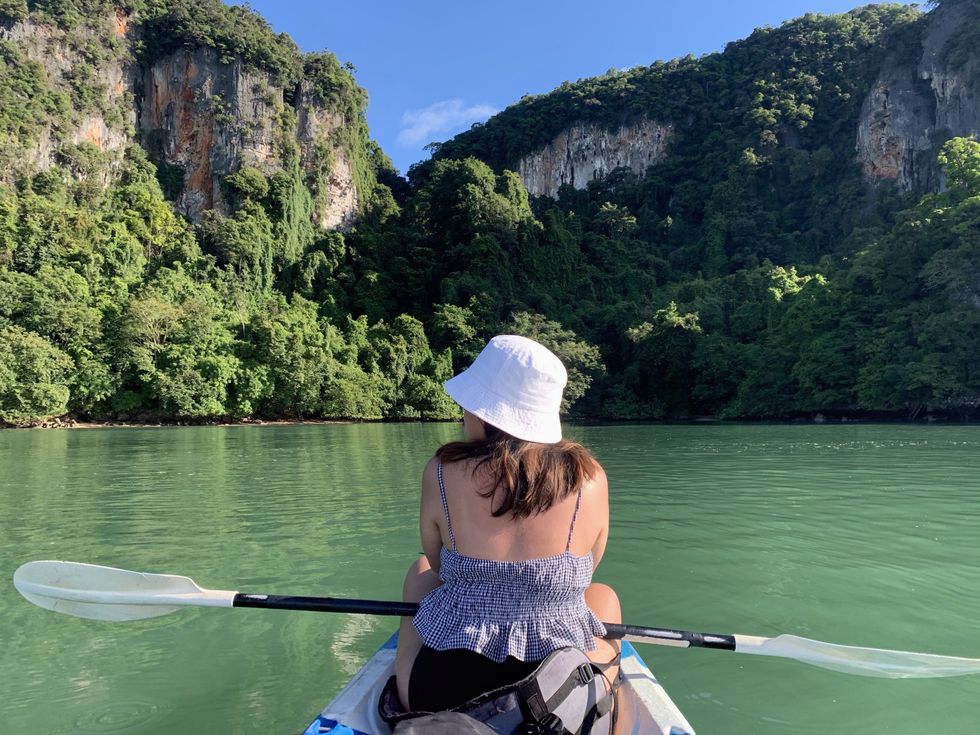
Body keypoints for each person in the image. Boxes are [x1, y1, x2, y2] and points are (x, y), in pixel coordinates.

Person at [393, 334, 621, 715]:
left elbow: (437, 565)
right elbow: (587, 570)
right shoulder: (590, 479)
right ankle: (606, 713)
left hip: (442, 690)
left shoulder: (440, 472)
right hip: (551, 699)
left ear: (484, 412)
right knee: (604, 595)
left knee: (419, 574)